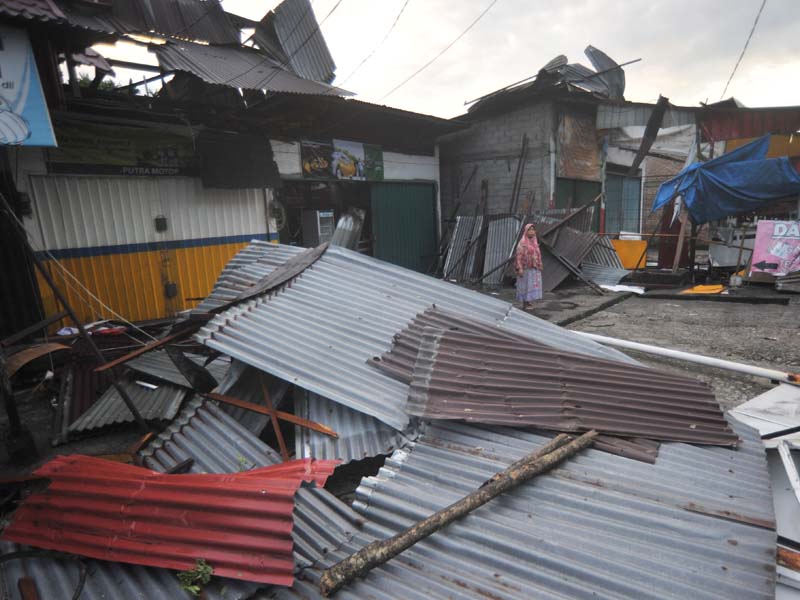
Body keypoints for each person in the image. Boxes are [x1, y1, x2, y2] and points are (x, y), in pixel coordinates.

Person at [514, 224, 543, 310]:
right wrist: (519, 268)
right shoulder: (522, 243)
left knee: (532, 285)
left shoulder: (534, 242)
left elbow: (538, 254)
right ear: (526, 231)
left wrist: (539, 264)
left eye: (533, 230)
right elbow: (518, 256)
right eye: (529, 230)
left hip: (533, 268)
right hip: (525, 268)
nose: (532, 231)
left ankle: (529, 302)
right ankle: (525, 303)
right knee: (525, 285)